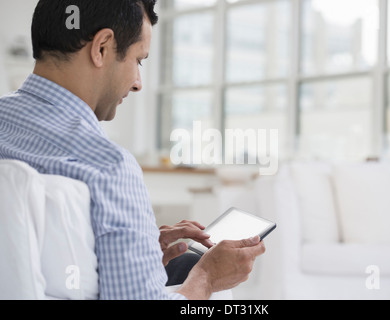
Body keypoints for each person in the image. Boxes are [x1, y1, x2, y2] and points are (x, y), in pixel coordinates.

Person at [0, 0, 265, 300]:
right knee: (199, 270)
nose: (138, 83)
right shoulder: (108, 167)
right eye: (138, 60)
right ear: (101, 47)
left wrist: (140, 244)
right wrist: (208, 278)